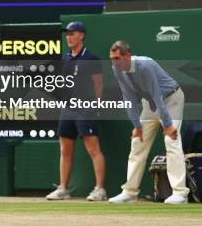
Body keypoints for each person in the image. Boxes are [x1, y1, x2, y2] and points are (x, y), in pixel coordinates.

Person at [108, 41, 189, 205]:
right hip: (150, 104)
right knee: (137, 143)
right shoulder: (117, 69)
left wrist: (167, 124)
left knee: (171, 141)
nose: (114, 62)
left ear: (128, 56)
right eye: (112, 59)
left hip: (171, 100)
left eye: (117, 58)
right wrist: (137, 126)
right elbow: (128, 97)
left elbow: (157, 93)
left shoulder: (145, 64)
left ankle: (180, 193)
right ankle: (130, 192)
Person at [46, 21, 106, 201]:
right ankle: (63, 189)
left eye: (72, 33)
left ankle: (100, 189)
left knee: (93, 149)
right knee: (65, 150)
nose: (69, 37)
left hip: (85, 109)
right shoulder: (65, 58)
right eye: (67, 34)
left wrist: (97, 106)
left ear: (82, 35)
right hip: (67, 110)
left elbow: (98, 84)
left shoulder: (91, 58)